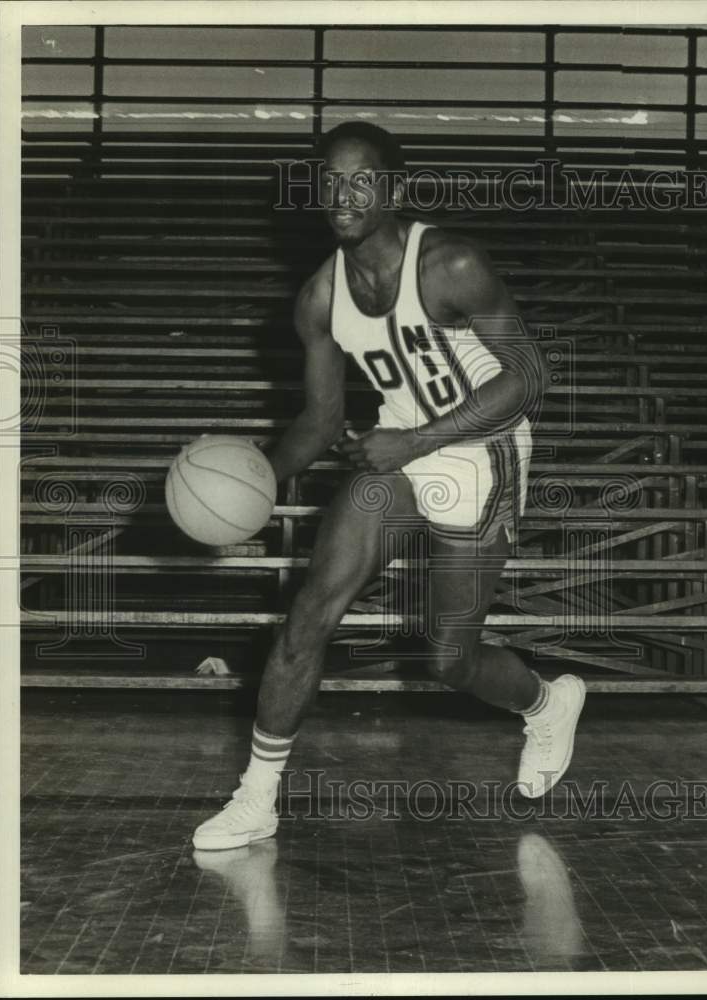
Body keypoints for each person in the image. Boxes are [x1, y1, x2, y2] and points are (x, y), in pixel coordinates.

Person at [193, 122, 585, 851]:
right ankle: (256, 799)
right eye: (332, 181)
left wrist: (418, 440)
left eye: (362, 180)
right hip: (400, 448)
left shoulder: (451, 264)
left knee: (448, 659)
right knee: (310, 610)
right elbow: (320, 420)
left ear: (394, 190)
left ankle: (545, 703)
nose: (344, 195)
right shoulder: (319, 299)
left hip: (484, 450)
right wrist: (253, 479)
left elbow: (530, 377)